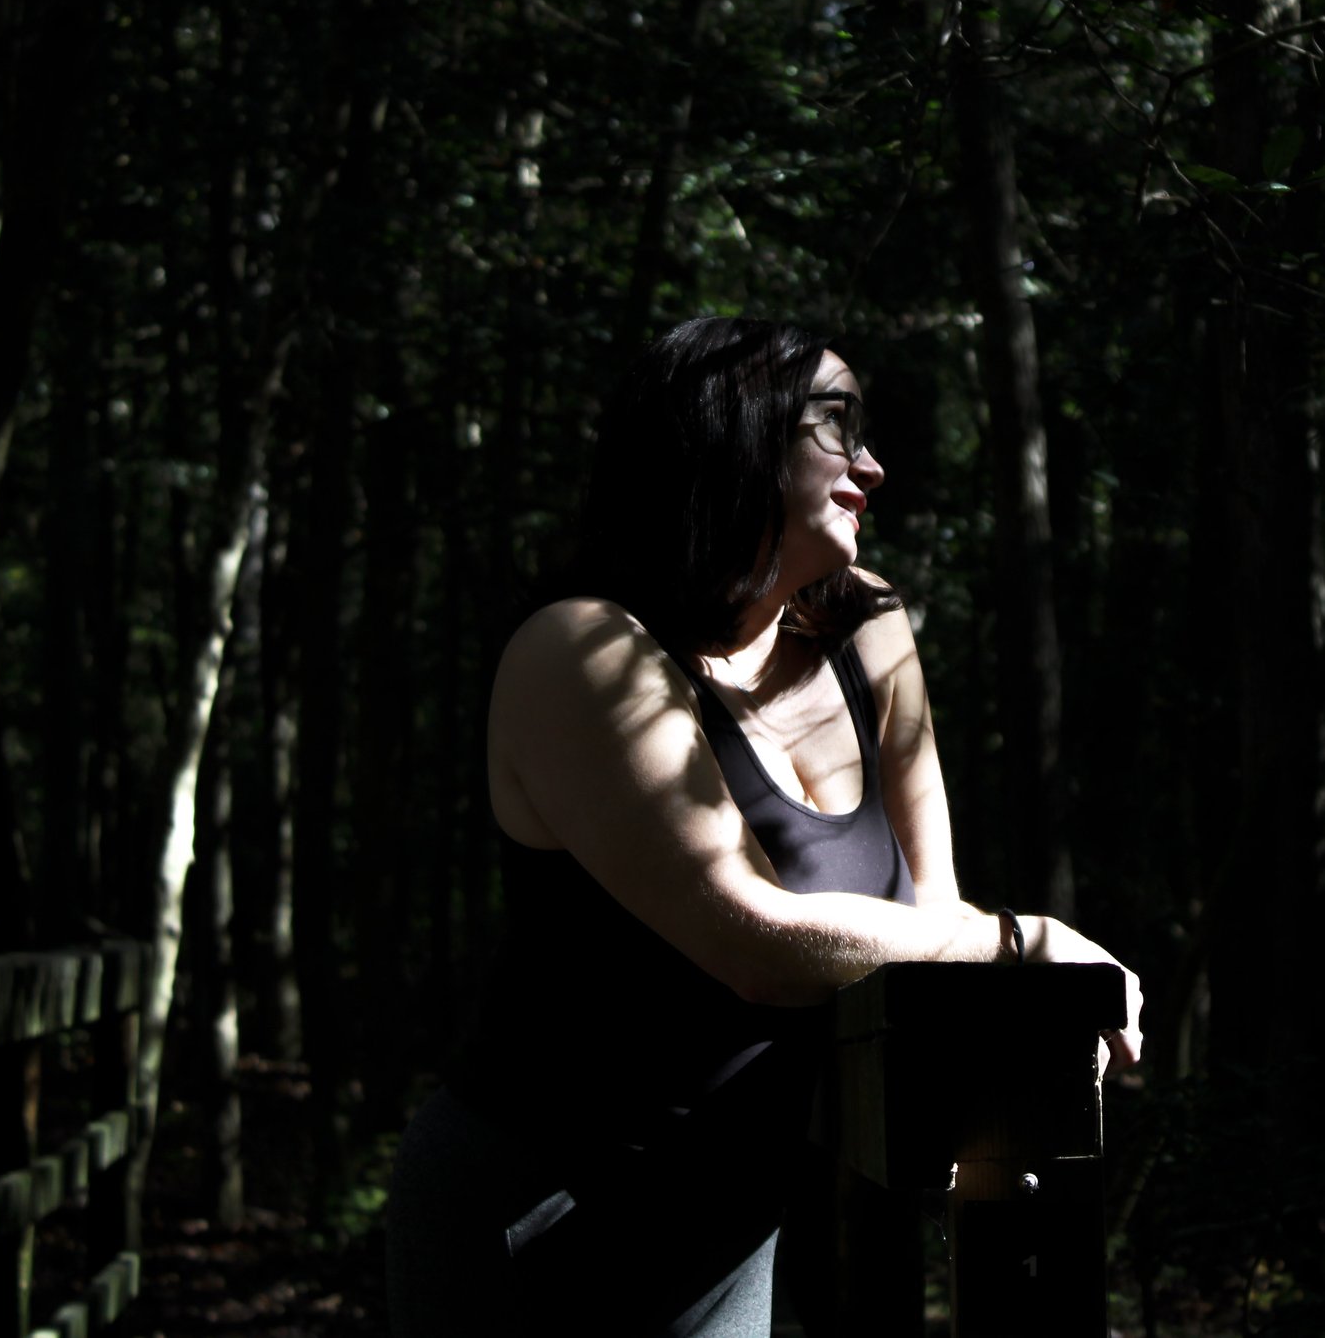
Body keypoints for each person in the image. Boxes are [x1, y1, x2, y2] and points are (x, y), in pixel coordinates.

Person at [385, 316, 1142, 1337]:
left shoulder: (866, 622)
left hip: (741, 1208)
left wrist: (1022, 1005)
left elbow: (930, 915)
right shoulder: (581, 647)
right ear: (728, 434)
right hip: (548, 1214)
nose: (870, 466)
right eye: (834, 426)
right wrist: (1019, 944)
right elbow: (760, 943)